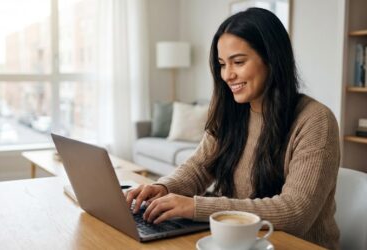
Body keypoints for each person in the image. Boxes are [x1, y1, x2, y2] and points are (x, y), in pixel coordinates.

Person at [125, 7, 340, 249]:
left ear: (272, 58)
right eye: (221, 64)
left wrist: (196, 207)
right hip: (239, 241)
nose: (227, 75)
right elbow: (198, 168)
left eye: (238, 62)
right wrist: (162, 187)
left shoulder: (315, 121)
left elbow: (295, 212)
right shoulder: (231, 111)